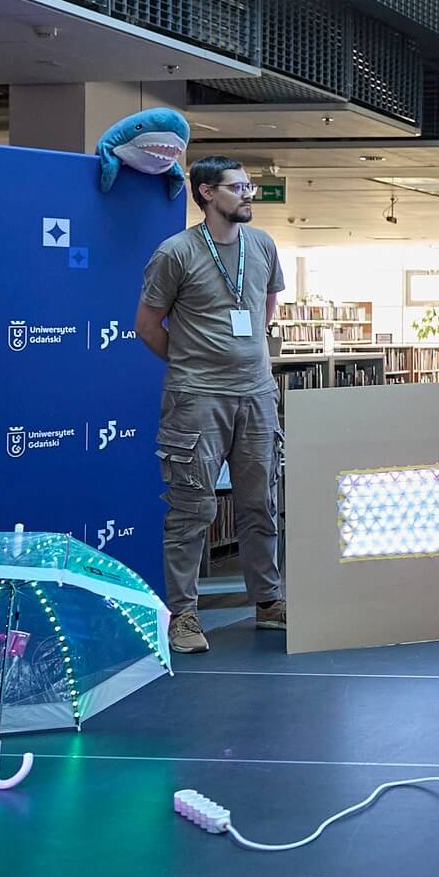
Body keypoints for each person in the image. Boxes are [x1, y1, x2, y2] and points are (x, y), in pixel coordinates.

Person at [136, 157, 288, 653]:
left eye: (249, 186)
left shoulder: (262, 245)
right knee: (191, 507)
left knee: (260, 501)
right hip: (197, 397)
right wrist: (191, 363)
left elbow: (265, 305)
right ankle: (183, 615)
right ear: (206, 193)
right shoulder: (176, 252)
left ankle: (268, 601)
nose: (248, 194)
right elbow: (147, 325)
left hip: (257, 394)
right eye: (237, 187)